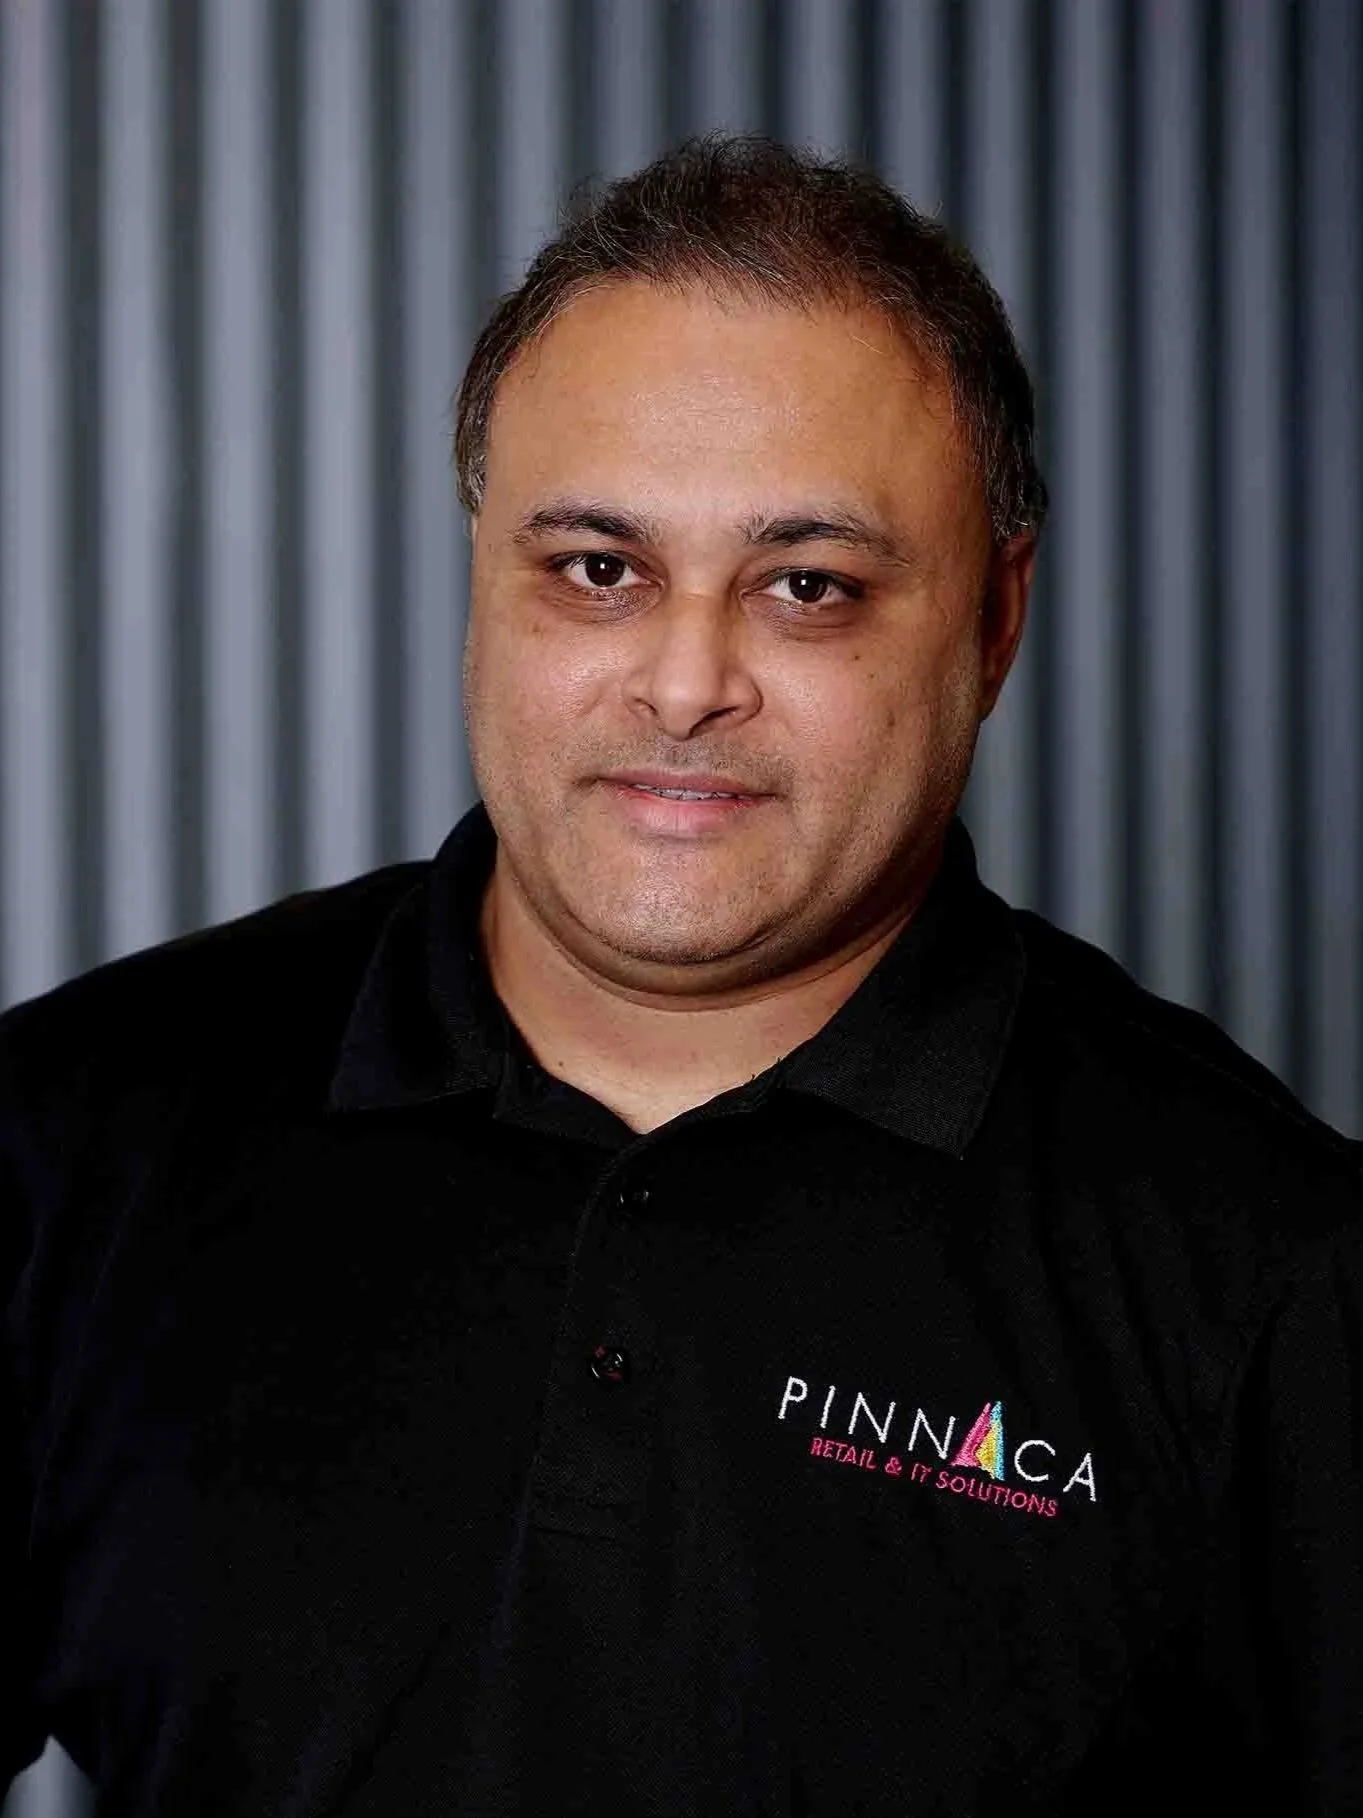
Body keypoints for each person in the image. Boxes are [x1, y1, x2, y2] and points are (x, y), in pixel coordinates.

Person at [3, 134, 1361, 1818]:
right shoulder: (71, 1139)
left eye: (808, 588)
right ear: (484, 577)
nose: (683, 681)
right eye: (598, 570)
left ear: (995, 621)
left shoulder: (1274, 1270)